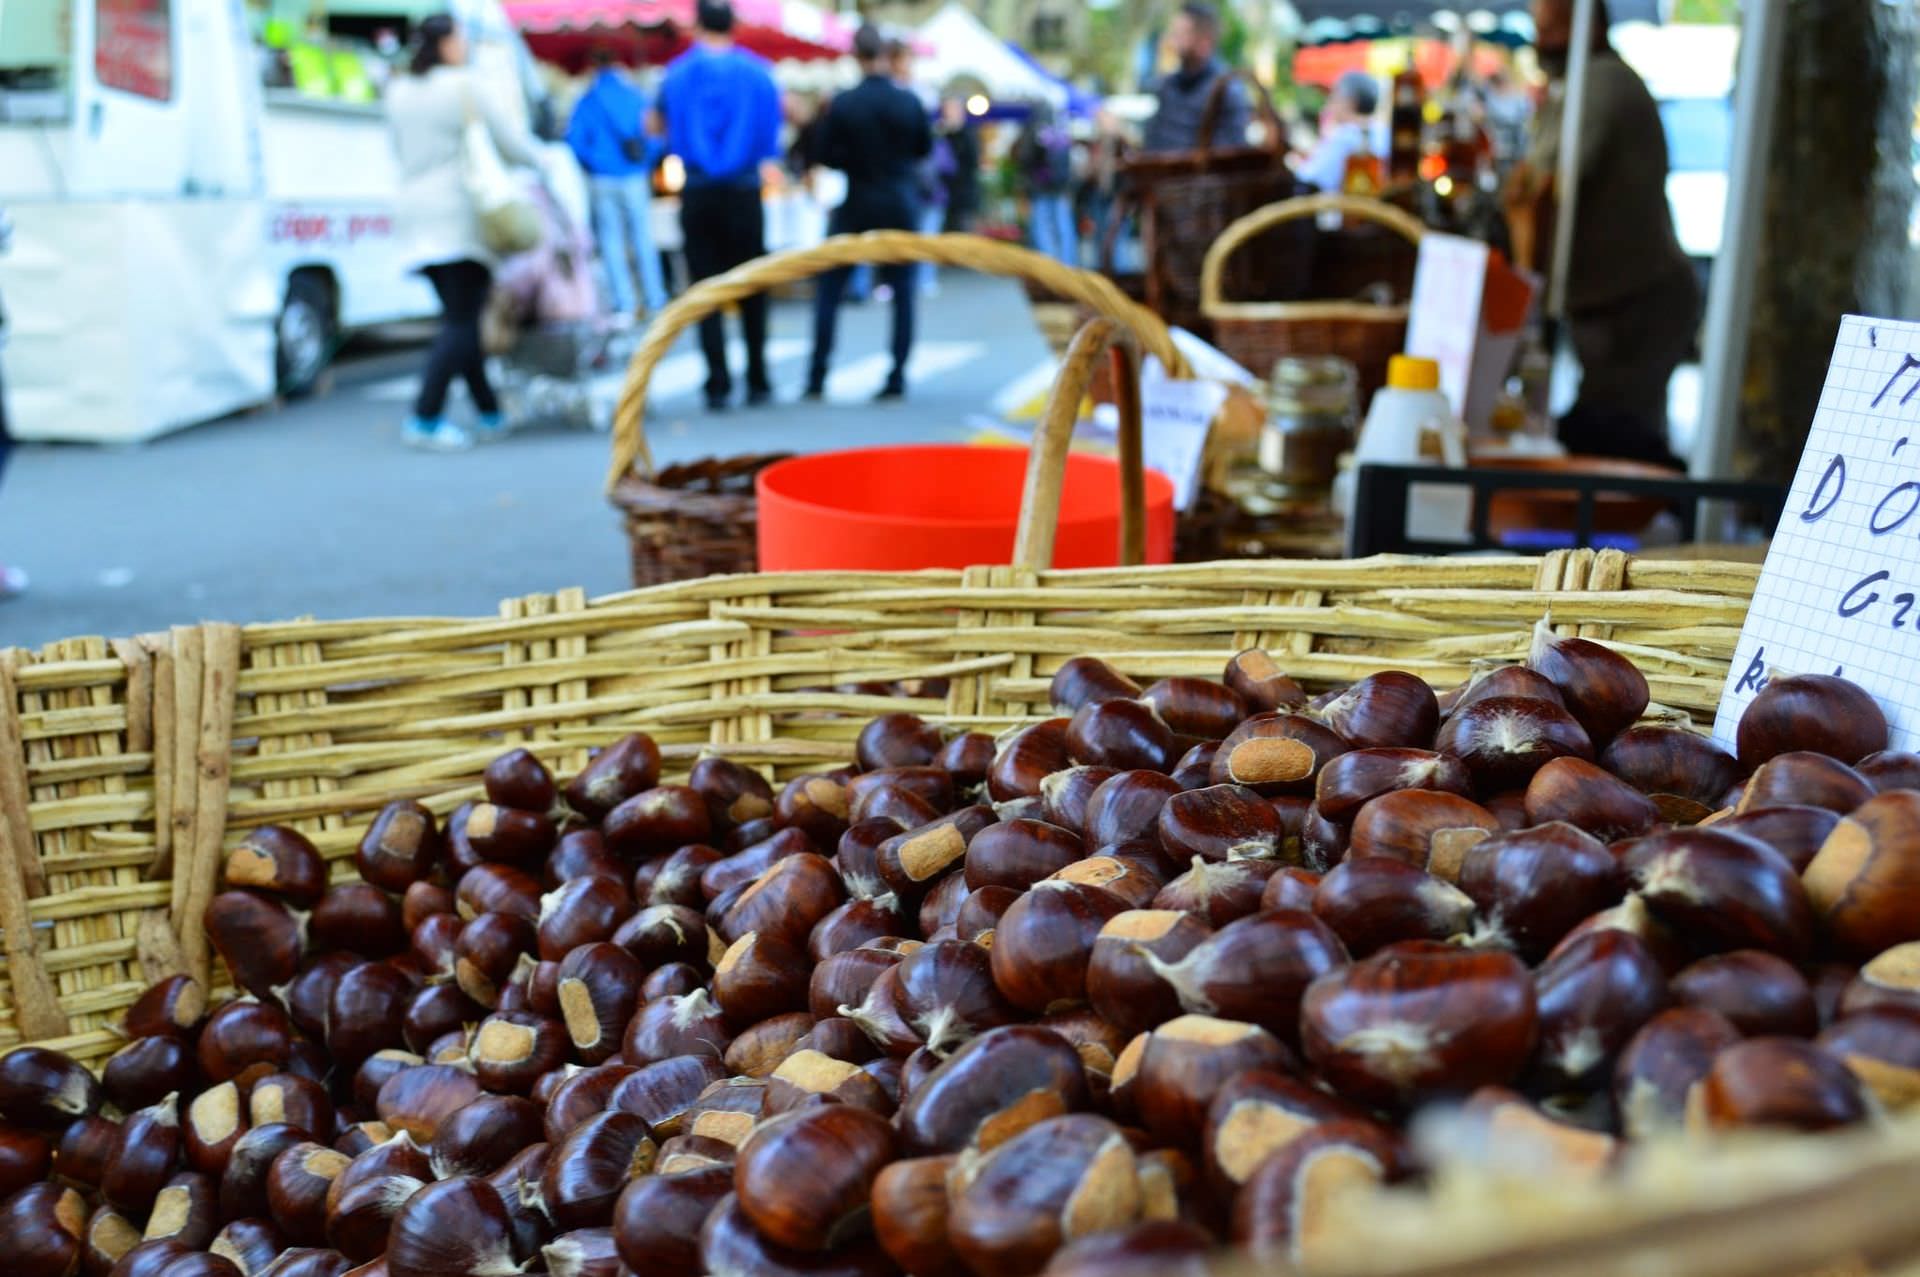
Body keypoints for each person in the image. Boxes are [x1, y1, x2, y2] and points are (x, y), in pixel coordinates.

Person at [1518, 0, 1697, 467]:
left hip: (1637, 303)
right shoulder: (1580, 84)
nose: (1542, 40)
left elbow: (1548, 180)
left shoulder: (1601, 83)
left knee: (1619, 445)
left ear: (1589, 26)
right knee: (1612, 436)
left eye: (1553, 27)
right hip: (1622, 301)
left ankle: (1666, 519)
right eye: (1539, 27)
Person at [386, 13, 540, 450]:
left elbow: (398, 149)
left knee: (462, 318)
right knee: (460, 320)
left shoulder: (397, 90)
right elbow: (510, 143)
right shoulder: (463, 86)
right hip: (458, 214)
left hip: (413, 214)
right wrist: (545, 159)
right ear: (448, 43)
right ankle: (425, 416)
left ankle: (489, 411)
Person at [655, 0, 783, 411]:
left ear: (697, 25)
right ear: (734, 25)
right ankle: (758, 377)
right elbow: (770, 137)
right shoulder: (759, 74)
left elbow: (655, 127)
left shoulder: (675, 75)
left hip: (697, 192)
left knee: (704, 288)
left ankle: (717, 381)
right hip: (745, 191)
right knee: (752, 284)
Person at [804, 24, 932, 403]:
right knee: (903, 290)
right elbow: (923, 148)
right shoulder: (908, 101)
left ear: (856, 56)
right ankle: (897, 374)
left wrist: (852, 160)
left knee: (830, 287)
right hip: (898, 200)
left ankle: (817, 373)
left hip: (858, 200)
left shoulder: (844, 103)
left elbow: (824, 154)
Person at [565, 47, 670, 320]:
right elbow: (655, 134)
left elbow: (575, 141)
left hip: (602, 178)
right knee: (643, 238)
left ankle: (623, 302)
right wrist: (645, 162)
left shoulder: (587, 100)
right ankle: (655, 297)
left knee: (611, 240)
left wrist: (594, 163)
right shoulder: (635, 96)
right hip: (634, 175)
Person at [1142, 1, 1248, 153]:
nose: (1173, 41)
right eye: (1174, 33)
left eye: (1180, 35)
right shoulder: (1169, 85)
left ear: (1204, 41)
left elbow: (1230, 160)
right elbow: (1152, 144)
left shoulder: (1227, 90)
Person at [1015, 101, 1076, 266]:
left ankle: (1048, 265)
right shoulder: (1061, 131)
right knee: (1063, 227)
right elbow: (1068, 162)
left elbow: (1025, 158)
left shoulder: (1034, 130)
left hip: (1040, 187)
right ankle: (1067, 265)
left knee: (1042, 228)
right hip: (1060, 187)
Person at [1296, 70, 1379, 192]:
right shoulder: (1383, 132)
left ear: (1350, 102)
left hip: (1342, 209)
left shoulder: (1345, 135)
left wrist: (1296, 165)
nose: (1329, 104)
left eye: (1334, 97)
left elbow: (1308, 179)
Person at [937, 97, 981, 233]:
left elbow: (973, 161)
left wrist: (957, 131)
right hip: (943, 197)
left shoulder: (968, 133)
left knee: (963, 237)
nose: (949, 114)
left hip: (963, 197)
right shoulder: (940, 133)